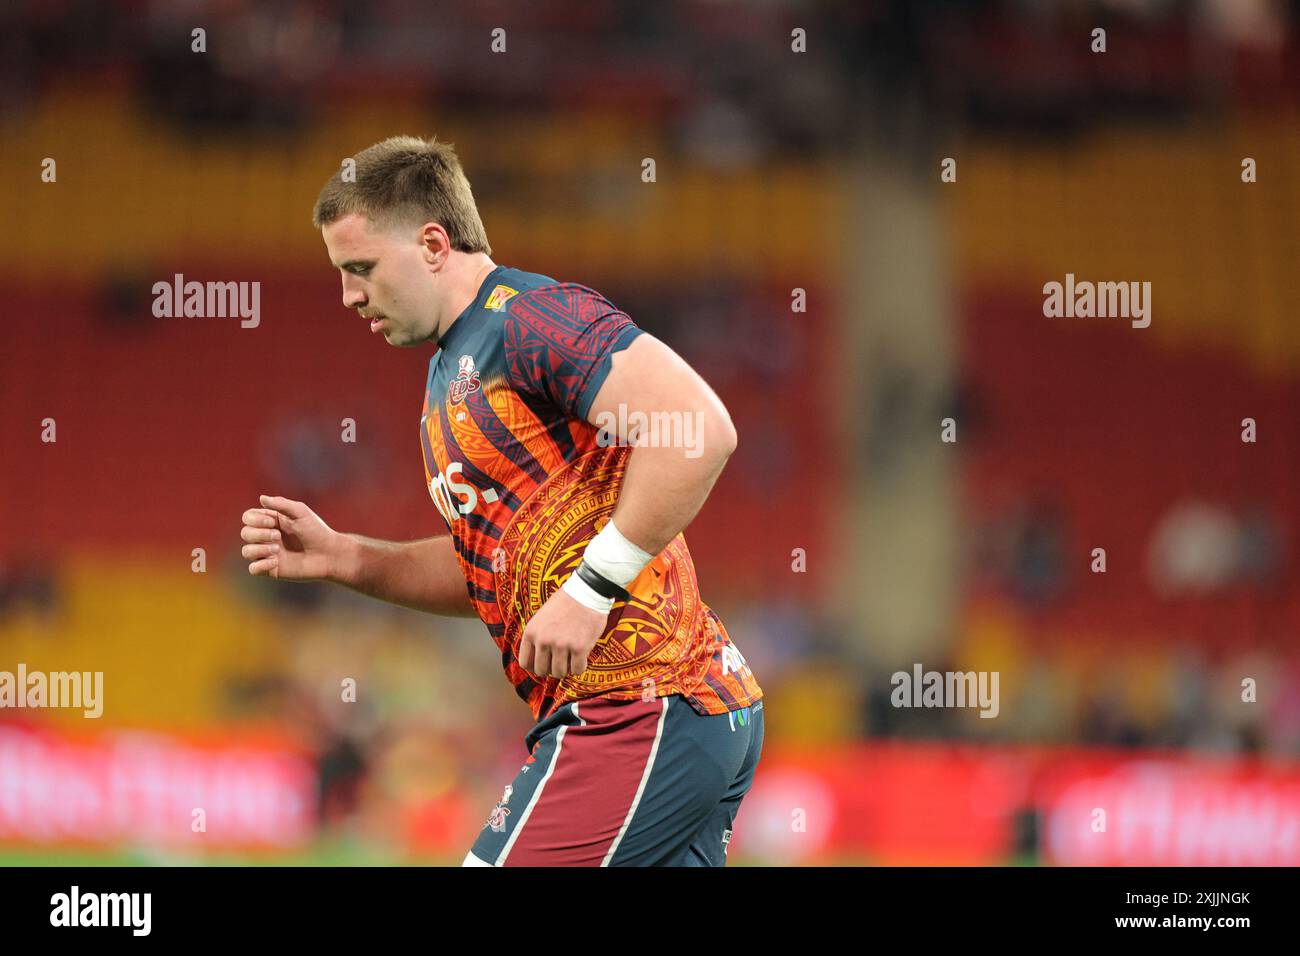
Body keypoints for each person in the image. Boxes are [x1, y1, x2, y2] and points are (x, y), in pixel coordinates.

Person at [240, 135, 764, 866]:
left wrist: (590, 591)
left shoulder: (530, 319)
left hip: (639, 706)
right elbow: (498, 570)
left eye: (360, 268)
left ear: (431, 243)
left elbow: (698, 429)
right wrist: (349, 557)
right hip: (665, 713)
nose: (349, 295)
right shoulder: (452, 370)